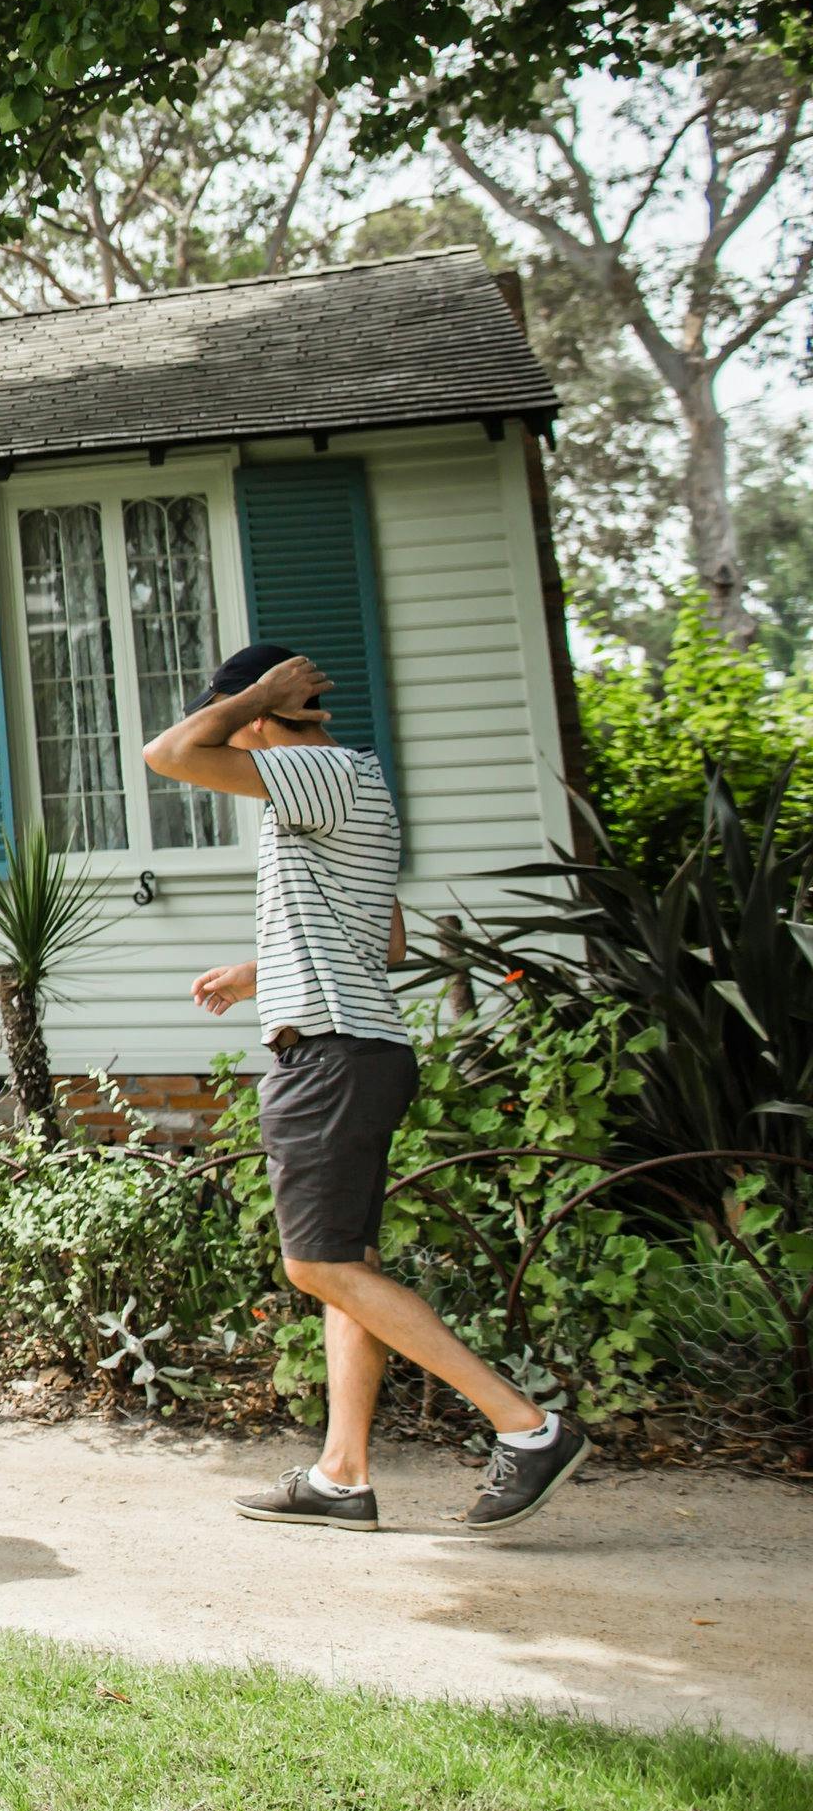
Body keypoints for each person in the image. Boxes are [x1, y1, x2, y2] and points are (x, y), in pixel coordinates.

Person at [143, 642, 588, 1532]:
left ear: (260, 716)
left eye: (241, 719)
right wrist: (257, 969)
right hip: (363, 1047)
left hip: (332, 1059)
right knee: (350, 1267)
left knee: (317, 1265)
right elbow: (382, 943)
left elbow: (169, 755)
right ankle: (342, 1475)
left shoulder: (313, 768)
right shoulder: (349, 785)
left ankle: (528, 1426)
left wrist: (256, 697)